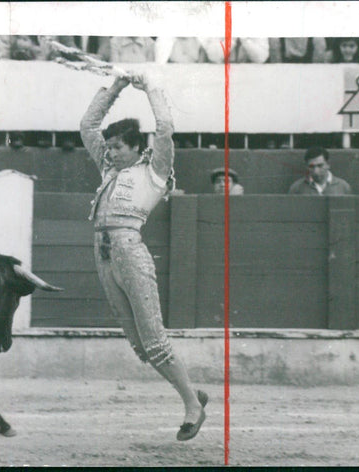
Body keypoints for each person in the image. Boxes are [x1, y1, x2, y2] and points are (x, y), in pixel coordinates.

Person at [80, 72, 208, 441]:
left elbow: (165, 126)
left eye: (118, 146)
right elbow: (87, 124)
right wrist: (117, 86)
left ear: (137, 148)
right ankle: (192, 395)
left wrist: (149, 87)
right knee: (140, 345)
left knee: (154, 339)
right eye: (110, 146)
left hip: (130, 253)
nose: (111, 151)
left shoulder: (155, 171)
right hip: (104, 257)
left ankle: (192, 406)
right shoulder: (108, 168)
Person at [288, 147, 353, 195]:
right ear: (306, 166)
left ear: (328, 164)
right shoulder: (297, 188)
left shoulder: (343, 186)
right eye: (311, 166)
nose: (316, 171)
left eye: (320, 165)